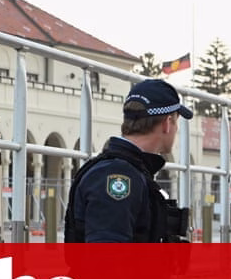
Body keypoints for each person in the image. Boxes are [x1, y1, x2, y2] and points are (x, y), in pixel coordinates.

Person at [64, 78, 192, 243]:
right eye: (176, 122)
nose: (176, 129)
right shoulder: (118, 175)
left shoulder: (128, 171)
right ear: (167, 123)